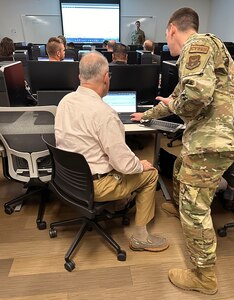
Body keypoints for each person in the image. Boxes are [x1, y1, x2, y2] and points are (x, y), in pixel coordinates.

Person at [131, 7, 234, 295]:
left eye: (167, 37)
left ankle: (204, 277)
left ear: (171, 29)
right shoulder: (202, 54)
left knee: (197, 209)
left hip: (212, 141)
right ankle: (180, 207)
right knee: (178, 168)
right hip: (212, 139)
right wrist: (147, 115)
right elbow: (176, 98)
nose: (167, 44)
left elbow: (193, 99)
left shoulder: (197, 45)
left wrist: (175, 105)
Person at [55, 51, 169, 252]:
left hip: (70, 181)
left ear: (79, 76)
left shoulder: (65, 102)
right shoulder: (105, 114)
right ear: (106, 78)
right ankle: (141, 237)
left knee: (117, 162)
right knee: (150, 173)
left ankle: (116, 204)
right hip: (96, 186)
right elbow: (123, 163)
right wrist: (139, 164)